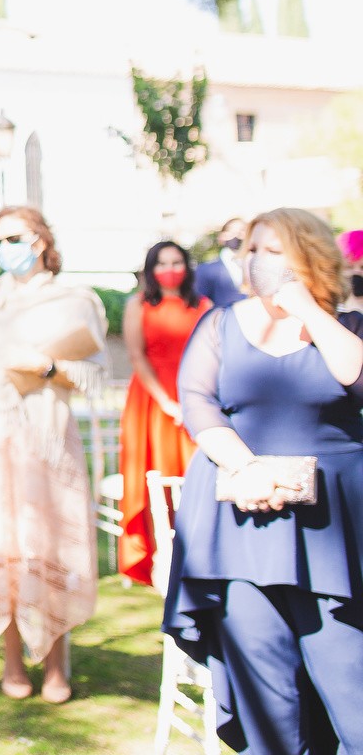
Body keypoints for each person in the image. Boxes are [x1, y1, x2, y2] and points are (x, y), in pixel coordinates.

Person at [164, 208, 363, 755]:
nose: (259, 261)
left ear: (311, 258)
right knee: (266, 688)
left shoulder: (346, 325)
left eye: (275, 250)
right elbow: (197, 403)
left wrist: (309, 312)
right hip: (243, 532)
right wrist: (246, 467)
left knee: (353, 690)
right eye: (253, 249)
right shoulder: (222, 324)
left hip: (331, 537)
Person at [0, 206, 106, 702]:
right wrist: (5, 366)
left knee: (51, 542)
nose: (3, 250)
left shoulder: (74, 299)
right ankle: (12, 659)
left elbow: (94, 373)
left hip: (50, 434)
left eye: (11, 238)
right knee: (4, 543)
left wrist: (47, 366)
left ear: (38, 239)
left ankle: (56, 661)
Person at [117, 240, 207, 586]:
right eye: (162, 262)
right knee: (155, 475)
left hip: (193, 395)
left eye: (177, 261)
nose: (170, 269)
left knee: (192, 474)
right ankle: (158, 554)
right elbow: (137, 356)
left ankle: (196, 556)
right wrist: (167, 402)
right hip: (152, 401)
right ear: (151, 269)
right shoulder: (138, 305)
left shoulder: (203, 306)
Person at [191, 217, 248, 310]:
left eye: (241, 231)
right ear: (221, 237)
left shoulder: (256, 266)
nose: (237, 235)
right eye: (231, 232)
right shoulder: (206, 270)